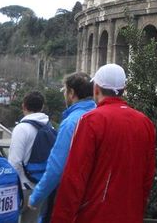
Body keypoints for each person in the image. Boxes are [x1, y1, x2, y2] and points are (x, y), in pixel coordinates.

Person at [50, 63, 156, 223]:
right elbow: (147, 177)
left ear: (96, 89)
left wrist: (61, 219)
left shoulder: (90, 121)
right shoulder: (145, 123)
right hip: (131, 214)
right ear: (123, 89)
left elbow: (74, 177)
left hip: (95, 215)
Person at [28, 73, 96, 222]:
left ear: (72, 93)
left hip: (69, 196)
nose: (64, 94)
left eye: (65, 91)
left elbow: (57, 166)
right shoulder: (98, 115)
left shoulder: (71, 122)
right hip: (94, 198)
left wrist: (36, 196)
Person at [8, 90, 51, 223]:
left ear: (24, 106)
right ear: (42, 107)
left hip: (22, 187)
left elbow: (14, 162)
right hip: (41, 186)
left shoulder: (22, 128)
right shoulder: (49, 126)